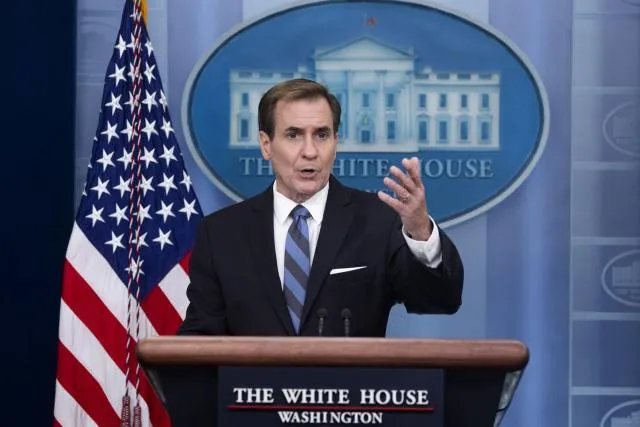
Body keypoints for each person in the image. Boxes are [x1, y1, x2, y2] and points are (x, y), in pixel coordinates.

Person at [177, 78, 464, 338]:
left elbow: (440, 300)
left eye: (322, 135)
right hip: (250, 382)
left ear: (335, 143)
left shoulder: (378, 221)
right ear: (266, 145)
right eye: (293, 135)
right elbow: (200, 339)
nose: (310, 151)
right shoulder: (221, 234)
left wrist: (420, 230)